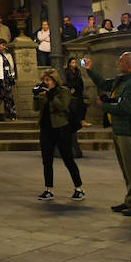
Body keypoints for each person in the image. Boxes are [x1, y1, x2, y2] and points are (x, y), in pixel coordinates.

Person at [84, 52, 131, 217]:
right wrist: (90, 70)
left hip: (129, 131)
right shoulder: (122, 80)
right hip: (120, 129)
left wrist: (104, 106)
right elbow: (104, 84)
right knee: (127, 170)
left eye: (120, 61)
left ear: (129, 66)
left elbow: (126, 108)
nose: (117, 63)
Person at [33, 69, 84, 201]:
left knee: (68, 159)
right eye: (44, 80)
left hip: (61, 128)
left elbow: (62, 106)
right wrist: (36, 96)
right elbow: (36, 108)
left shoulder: (63, 91)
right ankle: (48, 189)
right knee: (47, 161)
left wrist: (50, 95)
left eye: (48, 80)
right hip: (46, 129)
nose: (45, 82)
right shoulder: (44, 92)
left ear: (55, 81)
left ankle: (79, 188)